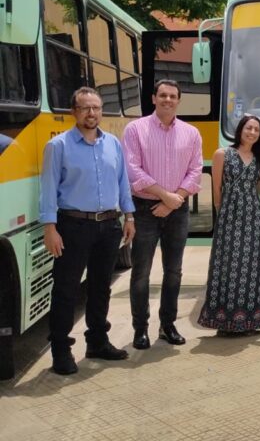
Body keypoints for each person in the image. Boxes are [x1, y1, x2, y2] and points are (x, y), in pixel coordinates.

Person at [40, 87, 135, 375]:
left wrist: (129, 216)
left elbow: (123, 183)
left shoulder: (113, 144)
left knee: (100, 287)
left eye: (96, 107)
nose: (91, 113)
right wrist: (50, 228)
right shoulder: (59, 146)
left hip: (108, 225)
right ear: (74, 112)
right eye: (85, 108)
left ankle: (97, 341)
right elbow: (48, 190)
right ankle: (60, 350)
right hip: (73, 226)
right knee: (66, 290)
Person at [122, 79, 202, 350]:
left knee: (174, 271)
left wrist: (172, 200)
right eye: (163, 95)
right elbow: (132, 170)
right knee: (141, 272)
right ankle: (140, 329)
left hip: (177, 210)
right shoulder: (135, 129)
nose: (168, 100)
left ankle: (167, 325)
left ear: (179, 100)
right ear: (154, 98)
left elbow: (195, 171)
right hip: (144, 210)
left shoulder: (191, 133)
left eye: (173, 96)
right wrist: (164, 195)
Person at [198, 115, 260, 334]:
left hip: (253, 219)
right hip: (229, 218)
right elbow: (216, 191)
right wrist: (223, 214)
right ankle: (226, 322)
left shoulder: (259, 158)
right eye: (248, 128)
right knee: (228, 267)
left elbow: (257, 190)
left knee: (253, 268)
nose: (252, 132)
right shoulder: (222, 154)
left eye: (256, 130)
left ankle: (251, 320)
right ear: (240, 129)